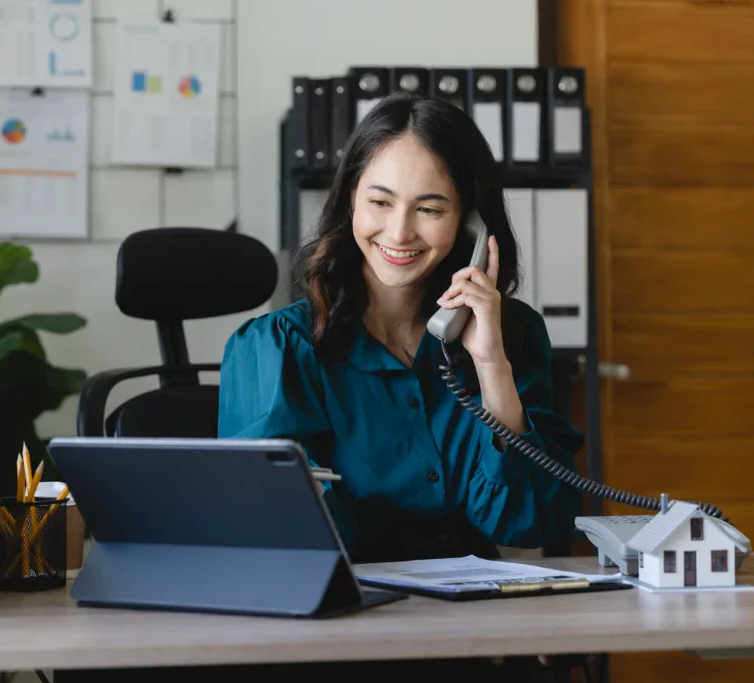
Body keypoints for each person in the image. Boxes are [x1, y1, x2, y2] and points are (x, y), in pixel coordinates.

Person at [215, 92, 588, 679]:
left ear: (472, 223)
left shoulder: (512, 336)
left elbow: (532, 521)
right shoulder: (279, 350)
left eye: (430, 208)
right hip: (336, 637)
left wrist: (491, 368)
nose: (399, 231)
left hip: (473, 631)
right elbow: (286, 538)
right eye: (380, 202)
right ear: (349, 207)